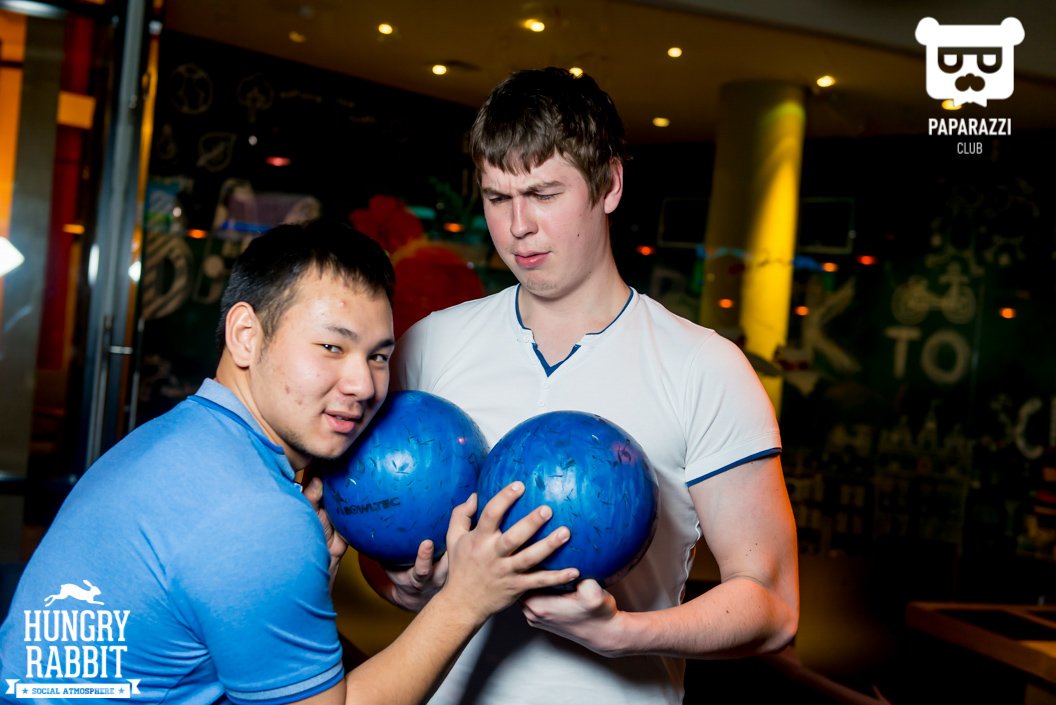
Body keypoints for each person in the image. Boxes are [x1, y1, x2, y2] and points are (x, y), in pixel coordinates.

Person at [0, 219, 579, 705]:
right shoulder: (254, 513)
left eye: (378, 356)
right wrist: (465, 600)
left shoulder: (170, 442)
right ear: (245, 336)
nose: (363, 384)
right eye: (331, 347)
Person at [369, 68, 800, 704]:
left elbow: (774, 604)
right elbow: (380, 536)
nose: (517, 225)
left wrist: (623, 634)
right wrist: (402, 585)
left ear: (609, 185)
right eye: (497, 197)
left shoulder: (704, 368)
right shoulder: (429, 345)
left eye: (543, 193)